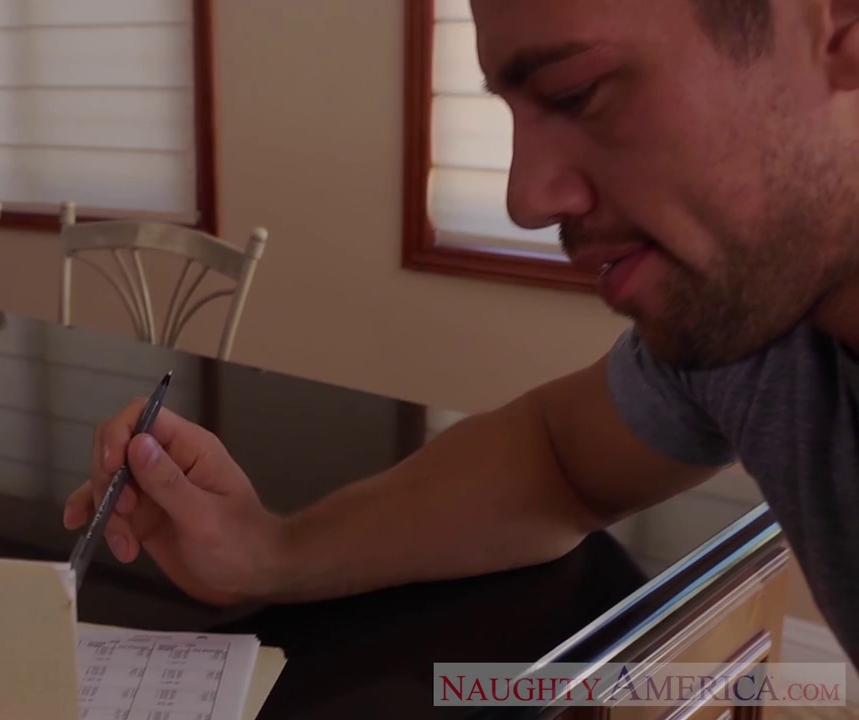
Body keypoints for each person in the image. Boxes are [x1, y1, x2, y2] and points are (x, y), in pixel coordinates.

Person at [63, 0, 859, 668]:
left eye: (578, 93)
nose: (525, 199)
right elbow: (556, 461)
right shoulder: (756, 335)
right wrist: (269, 555)